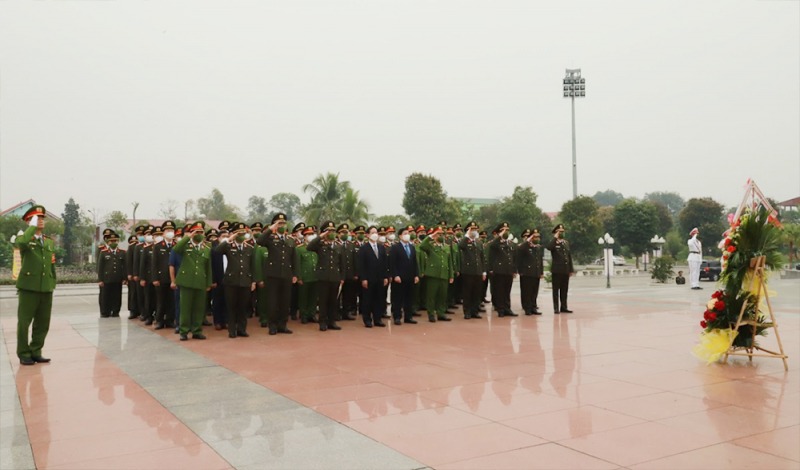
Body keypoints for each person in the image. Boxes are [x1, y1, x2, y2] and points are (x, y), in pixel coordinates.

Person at [15, 206, 56, 365]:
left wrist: (53, 282)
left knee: (43, 322)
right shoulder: (24, 238)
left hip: (46, 287)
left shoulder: (49, 241)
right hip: (28, 287)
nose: (41, 220)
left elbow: (51, 264)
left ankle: (36, 350)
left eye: (42, 218)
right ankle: (24, 353)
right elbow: (21, 243)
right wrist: (31, 228)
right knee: (24, 322)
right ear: (29, 221)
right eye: (36, 218)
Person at [256, 213, 298, 335]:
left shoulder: (290, 240)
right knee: (273, 302)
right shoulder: (270, 238)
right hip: (273, 274)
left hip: (286, 274)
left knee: (285, 302)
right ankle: (272, 325)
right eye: (279, 223)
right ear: (274, 225)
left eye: (284, 223)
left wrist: (295, 274)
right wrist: (270, 229)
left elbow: (294, 258)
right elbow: (259, 241)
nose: (282, 225)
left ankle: (282, 325)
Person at [214, 222, 257, 338]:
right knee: (231, 306)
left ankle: (242, 329)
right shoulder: (228, 246)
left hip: (245, 281)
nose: (242, 235)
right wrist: (229, 239)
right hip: (231, 281)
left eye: (243, 233)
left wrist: (253, 281)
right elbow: (217, 250)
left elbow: (252, 266)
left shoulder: (249, 248)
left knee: (243, 307)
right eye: (239, 233)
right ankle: (232, 330)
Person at [173, 222, 212, 341]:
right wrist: (188, 237)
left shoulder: (206, 248)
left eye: (201, 232)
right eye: (196, 232)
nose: (199, 234)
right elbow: (176, 249)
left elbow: (208, 267)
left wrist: (208, 283)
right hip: (186, 281)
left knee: (199, 308)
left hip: (200, 281)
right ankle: (183, 331)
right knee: (185, 308)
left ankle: (197, 330)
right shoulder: (185, 245)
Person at [307, 221, 345, 331]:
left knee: (333, 301)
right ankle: (322, 322)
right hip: (323, 277)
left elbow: (342, 263)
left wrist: (342, 277)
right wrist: (321, 236)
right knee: (323, 301)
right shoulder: (320, 245)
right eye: (329, 231)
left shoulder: (339, 246)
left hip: (335, 277)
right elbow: (309, 247)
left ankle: (331, 321)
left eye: (333, 231)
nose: (332, 233)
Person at [418, 226, 453, 323]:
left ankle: (441, 313)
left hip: (444, 274)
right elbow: (422, 246)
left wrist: (451, 275)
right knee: (431, 296)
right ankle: (431, 314)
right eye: (438, 234)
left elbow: (449, 261)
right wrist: (431, 236)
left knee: (442, 295)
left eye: (442, 234)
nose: (440, 236)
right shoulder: (430, 245)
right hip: (433, 274)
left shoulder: (446, 247)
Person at [357, 226, 390, 328]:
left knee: (379, 299)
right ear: (367, 235)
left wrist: (385, 277)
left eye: (376, 232)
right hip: (369, 278)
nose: (375, 234)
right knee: (368, 300)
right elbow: (361, 265)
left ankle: (378, 319)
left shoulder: (381, 247)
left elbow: (385, 263)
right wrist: (363, 278)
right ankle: (367, 319)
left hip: (380, 278)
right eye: (372, 233)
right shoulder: (363, 248)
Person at [388, 225, 419, 325]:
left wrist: (416, 275)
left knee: (409, 298)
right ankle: (397, 317)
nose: (407, 235)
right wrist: (395, 275)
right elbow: (392, 263)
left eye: (408, 234)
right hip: (399, 278)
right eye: (405, 234)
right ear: (400, 236)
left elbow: (415, 262)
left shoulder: (412, 247)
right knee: (398, 298)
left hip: (410, 277)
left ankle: (408, 317)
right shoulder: (395, 248)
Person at [488, 222, 518, 317]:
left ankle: (507, 308)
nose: (506, 232)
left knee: (507, 291)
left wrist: (514, 270)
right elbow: (492, 246)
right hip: (499, 270)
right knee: (500, 290)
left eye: (507, 230)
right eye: (503, 230)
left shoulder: (510, 243)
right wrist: (499, 236)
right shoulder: (496, 243)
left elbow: (513, 257)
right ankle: (501, 309)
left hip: (508, 270)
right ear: (499, 232)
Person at [458, 221, 485, 320]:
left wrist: (484, 271)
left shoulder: (478, 242)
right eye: (472, 229)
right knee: (467, 293)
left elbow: (482, 257)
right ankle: (467, 312)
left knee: (476, 293)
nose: (474, 231)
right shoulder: (465, 241)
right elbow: (460, 246)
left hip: (478, 271)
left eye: (475, 230)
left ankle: (475, 311)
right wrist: (467, 235)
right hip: (468, 272)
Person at [151, 221, 176, 330]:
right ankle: (159, 320)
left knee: (171, 301)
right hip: (161, 278)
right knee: (161, 301)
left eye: (171, 230)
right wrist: (155, 278)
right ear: (163, 233)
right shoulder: (157, 246)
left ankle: (170, 320)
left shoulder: (177, 246)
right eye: (168, 231)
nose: (170, 233)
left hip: (173, 278)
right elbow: (154, 264)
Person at [97, 230, 126, 318]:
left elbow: (125, 266)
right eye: (111, 241)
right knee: (105, 296)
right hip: (106, 278)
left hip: (117, 278)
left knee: (117, 295)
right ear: (108, 242)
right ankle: (105, 312)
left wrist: (124, 278)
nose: (113, 242)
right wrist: (100, 279)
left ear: (118, 241)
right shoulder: (103, 252)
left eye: (115, 241)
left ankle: (116, 311)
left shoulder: (122, 252)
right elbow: (100, 267)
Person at [547, 224, 575, 314]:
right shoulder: (553, 243)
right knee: (556, 290)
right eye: (560, 232)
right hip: (557, 270)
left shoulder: (565, 243)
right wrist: (555, 238)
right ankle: (556, 308)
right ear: (556, 233)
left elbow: (569, 257)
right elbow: (549, 247)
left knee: (564, 290)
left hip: (565, 270)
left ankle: (564, 307)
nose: (562, 233)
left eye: (563, 231)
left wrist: (571, 269)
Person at [516, 229, 544, 315]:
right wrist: (528, 240)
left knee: (534, 291)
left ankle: (533, 307)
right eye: (535, 236)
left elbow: (540, 260)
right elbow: (519, 250)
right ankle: (527, 308)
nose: (537, 238)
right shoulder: (525, 246)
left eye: (538, 236)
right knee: (527, 291)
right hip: (527, 272)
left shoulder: (538, 247)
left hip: (536, 272)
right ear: (531, 237)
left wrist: (541, 272)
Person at [296, 226, 319, 324]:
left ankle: (311, 314)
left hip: (315, 276)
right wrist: (299, 277)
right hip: (304, 277)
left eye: (312, 234)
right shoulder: (299, 249)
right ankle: (304, 315)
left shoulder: (317, 247)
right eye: (308, 234)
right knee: (303, 297)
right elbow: (297, 264)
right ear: (304, 236)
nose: (310, 236)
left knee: (313, 297)